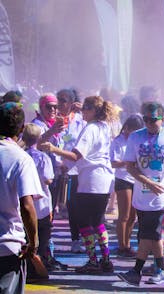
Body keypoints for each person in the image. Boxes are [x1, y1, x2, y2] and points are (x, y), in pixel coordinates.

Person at [39, 96, 118, 273]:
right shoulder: (104, 126)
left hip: (90, 179)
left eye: (85, 109)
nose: (82, 112)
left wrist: (53, 149)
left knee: (83, 221)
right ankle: (105, 259)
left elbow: (76, 155)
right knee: (98, 220)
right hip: (103, 179)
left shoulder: (90, 128)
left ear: (92, 111)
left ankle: (92, 260)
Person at [117, 102, 164, 286]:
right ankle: (144, 270)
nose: (148, 123)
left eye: (153, 120)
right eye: (145, 119)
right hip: (141, 194)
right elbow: (130, 166)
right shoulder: (134, 137)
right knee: (146, 235)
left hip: (162, 196)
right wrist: (147, 182)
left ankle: (150, 270)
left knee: (153, 234)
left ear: (163, 119)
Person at [0, 102, 42, 293]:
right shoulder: (20, 158)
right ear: (22, 129)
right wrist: (33, 243)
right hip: (7, 246)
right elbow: (27, 206)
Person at [22, 123, 67, 272]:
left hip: (24, 201)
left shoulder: (21, 155)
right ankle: (38, 265)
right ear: (39, 138)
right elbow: (48, 179)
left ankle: (27, 266)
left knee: (26, 236)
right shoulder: (43, 157)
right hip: (41, 204)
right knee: (42, 236)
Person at [55, 88, 86, 254]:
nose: (60, 103)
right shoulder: (54, 119)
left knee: (75, 207)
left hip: (76, 171)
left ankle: (77, 240)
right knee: (59, 207)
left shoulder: (81, 121)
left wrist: (82, 110)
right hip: (57, 170)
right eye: (58, 99)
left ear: (72, 103)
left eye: (64, 100)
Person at [110, 114, 144, 257]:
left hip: (135, 179)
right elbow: (113, 163)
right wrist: (128, 162)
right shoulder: (118, 141)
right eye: (133, 130)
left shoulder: (137, 140)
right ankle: (122, 245)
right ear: (127, 128)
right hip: (123, 178)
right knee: (124, 214)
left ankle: (127, 243)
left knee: (132, 216)